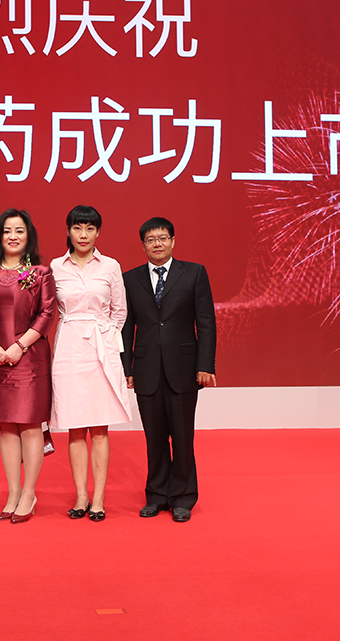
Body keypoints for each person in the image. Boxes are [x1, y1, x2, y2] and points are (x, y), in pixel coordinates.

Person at [121, 217, 217, 523]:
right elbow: (126, 327)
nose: (157, 244)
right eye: (151, 240)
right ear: (143, 245)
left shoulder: (194, 273)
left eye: (163, 238)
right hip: (146, 368)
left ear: (173, 241)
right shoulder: (130, 279)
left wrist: (205, 365)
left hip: (184, 368)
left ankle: (183, 497)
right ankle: (157, 495)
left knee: (183, 436)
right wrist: (126, 367)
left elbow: (206, 322)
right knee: (155, 437)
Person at [0, 208, 56, 524]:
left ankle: (29, 493)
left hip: (30, 359)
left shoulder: (41, 273)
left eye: (19, 230)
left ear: (28, 235)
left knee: (30, 425)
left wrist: (19, 346)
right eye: (7, 230)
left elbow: (47, 314)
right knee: (6, 426)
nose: (13, 236)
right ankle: (13, 493)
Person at [50, 205, 132, 522]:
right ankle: (81, 496)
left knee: (99, 427)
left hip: (101, 347)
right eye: (77, 228)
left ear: (98, 232)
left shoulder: (110, 266)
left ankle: (98, 498)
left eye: (89, 228)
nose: (83, 234)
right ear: (68, 231)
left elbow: (119, 311)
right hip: (69, 347)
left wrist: (107, 339)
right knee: (75, 427)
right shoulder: (55, 266)